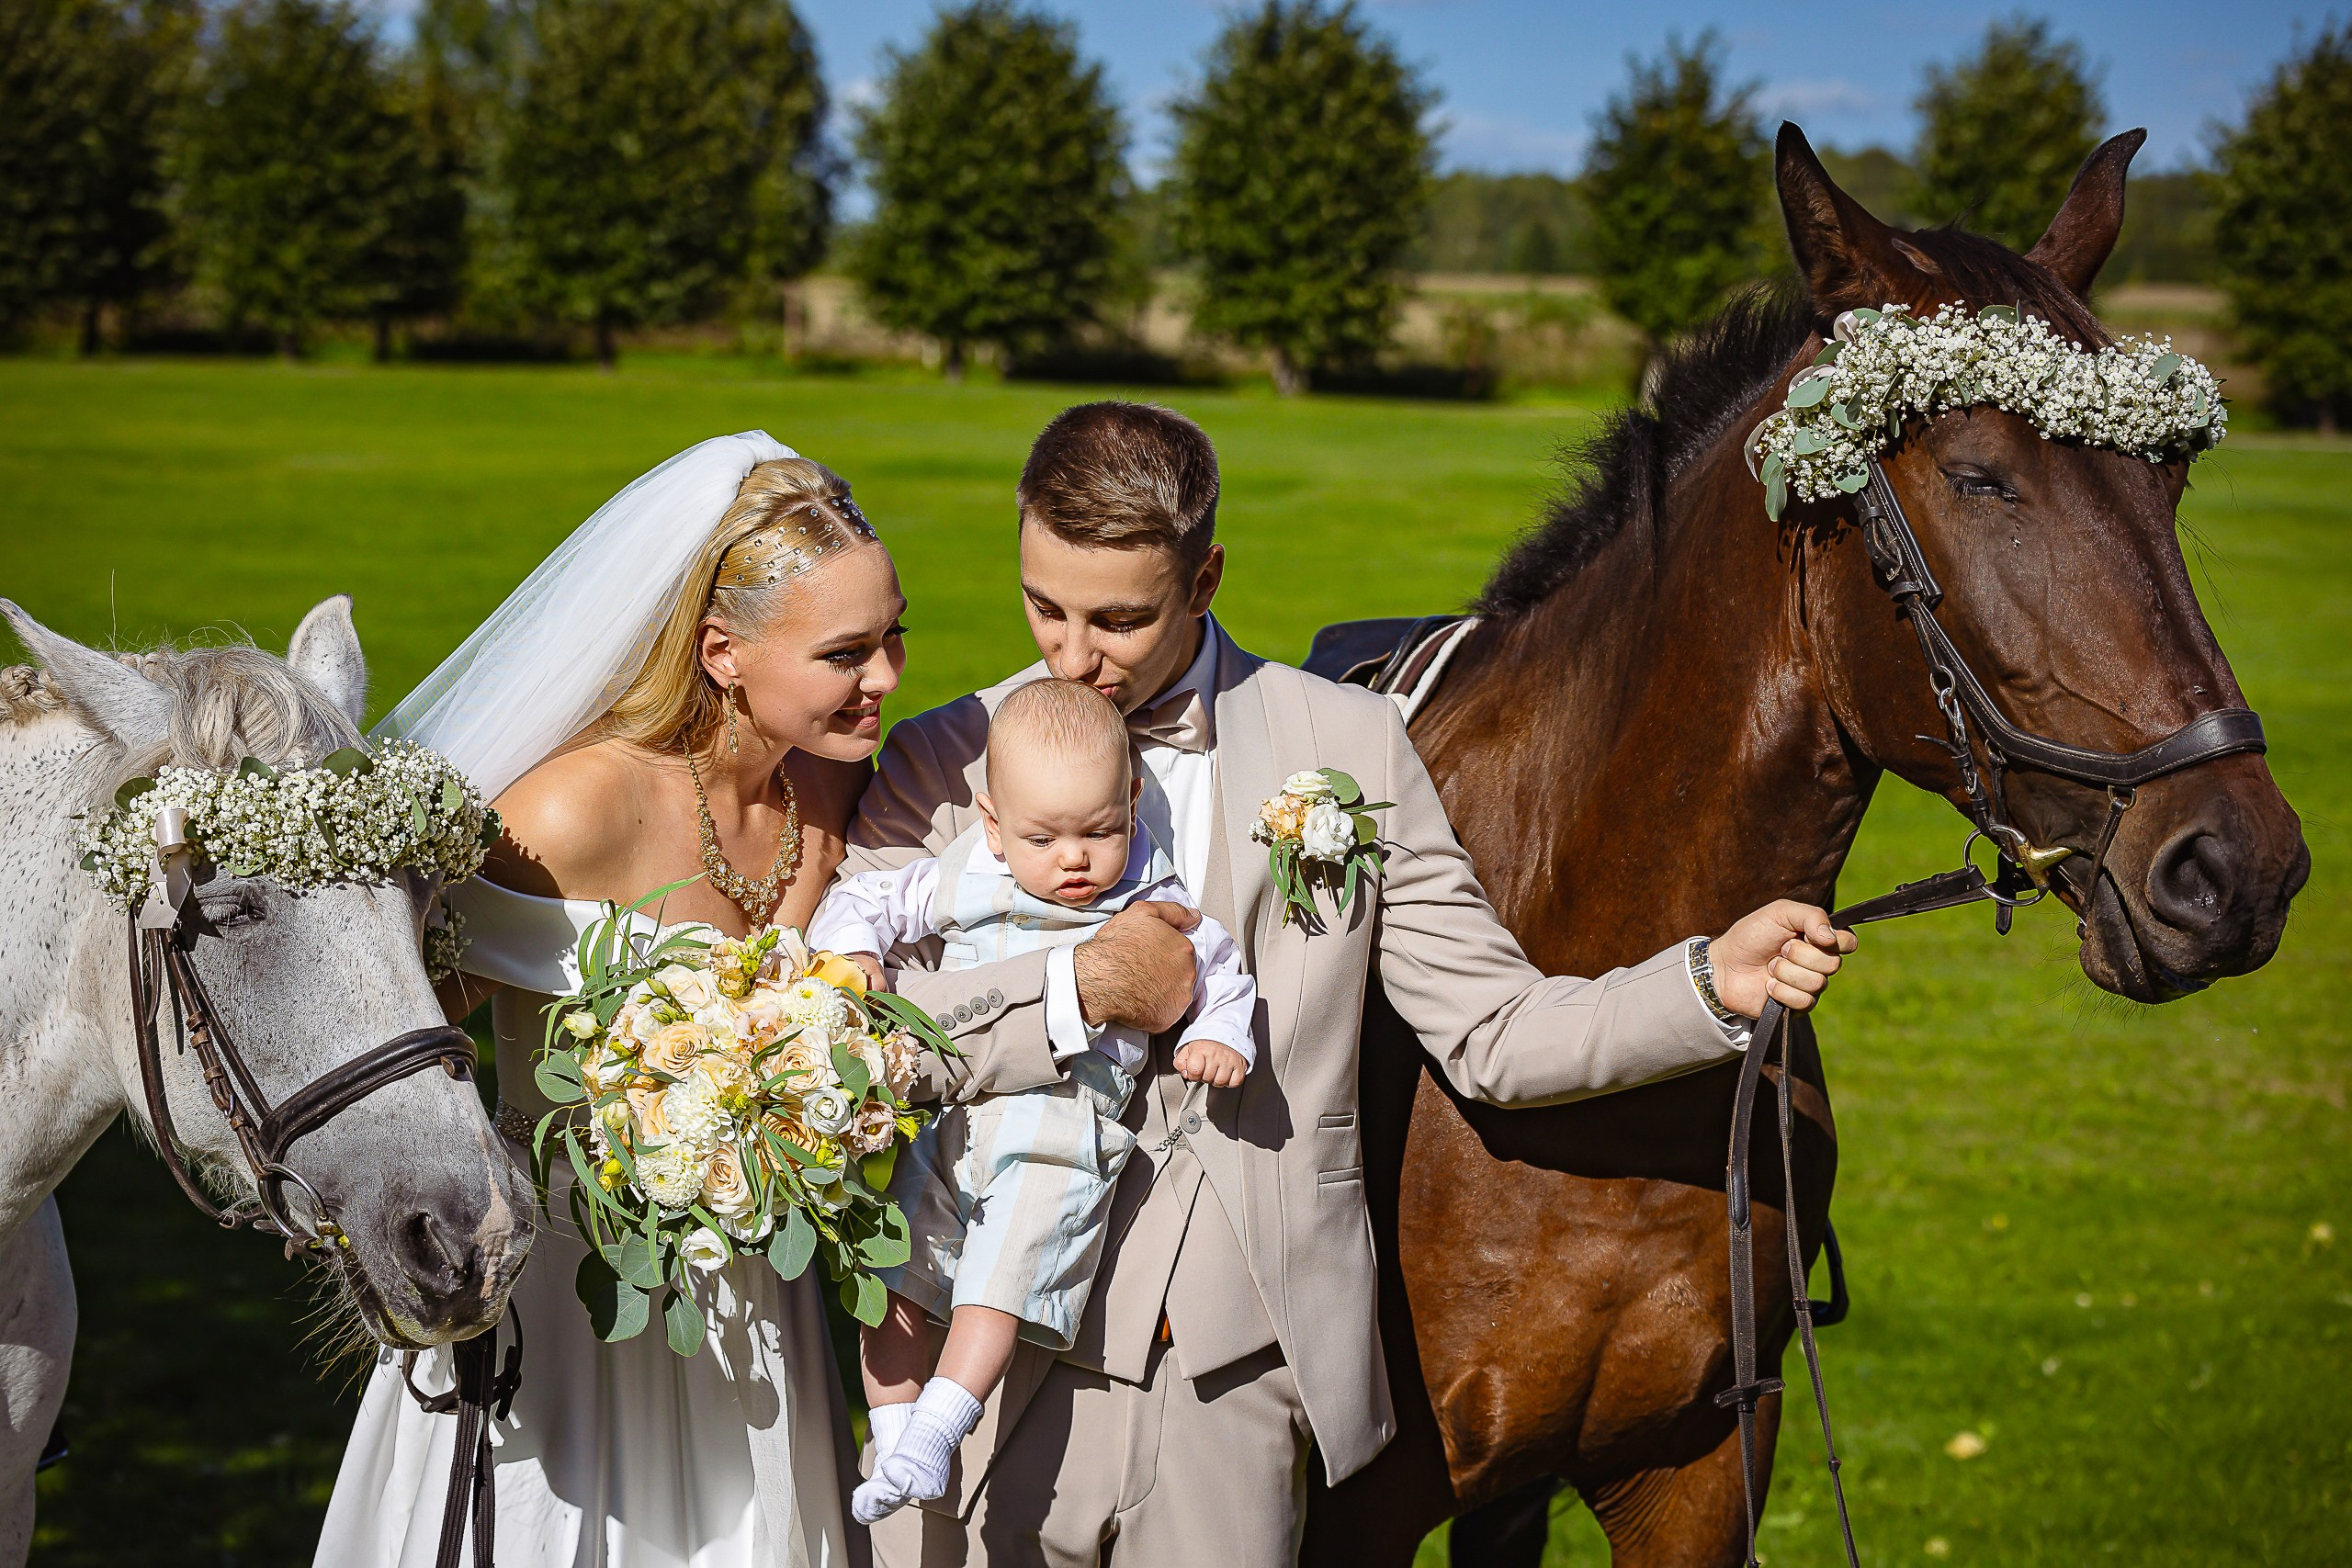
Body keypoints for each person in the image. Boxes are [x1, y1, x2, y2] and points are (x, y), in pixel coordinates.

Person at [842, 401, 1856, 1566]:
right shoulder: (941, 760)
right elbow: (865, 1045)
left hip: (1235, 1388)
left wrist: (1704, 984)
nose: (1074, 657)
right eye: (1046, 607)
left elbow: (1494, 1031)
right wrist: (1084, 991)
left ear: (1207, 574)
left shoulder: (1351, 745)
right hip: (982, 1364)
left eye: (1120, 620)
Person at [317, 434, 899, 1568]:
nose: (884, 679)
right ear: (722, 651)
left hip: (750, 1304)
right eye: (846, 652)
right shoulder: (570, 813)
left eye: (893, 638)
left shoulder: (834, 791)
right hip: (564, 1304)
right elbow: (399, 1023)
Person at [803, 679, 1256, 1526]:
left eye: (1099, 831)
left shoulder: (1147, 891)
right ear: (991, 819)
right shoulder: (968, 870)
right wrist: (853, 955)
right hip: (951, 1120)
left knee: (998, 1281)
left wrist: (1222, 1035)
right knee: (896, 1277)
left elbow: (1219, 966)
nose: (1073, 858)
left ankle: (942, 1423)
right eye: (1042, 836)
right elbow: (864, 899)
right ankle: (899, 1433)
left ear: (1131, 804)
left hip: (1061, 1126)